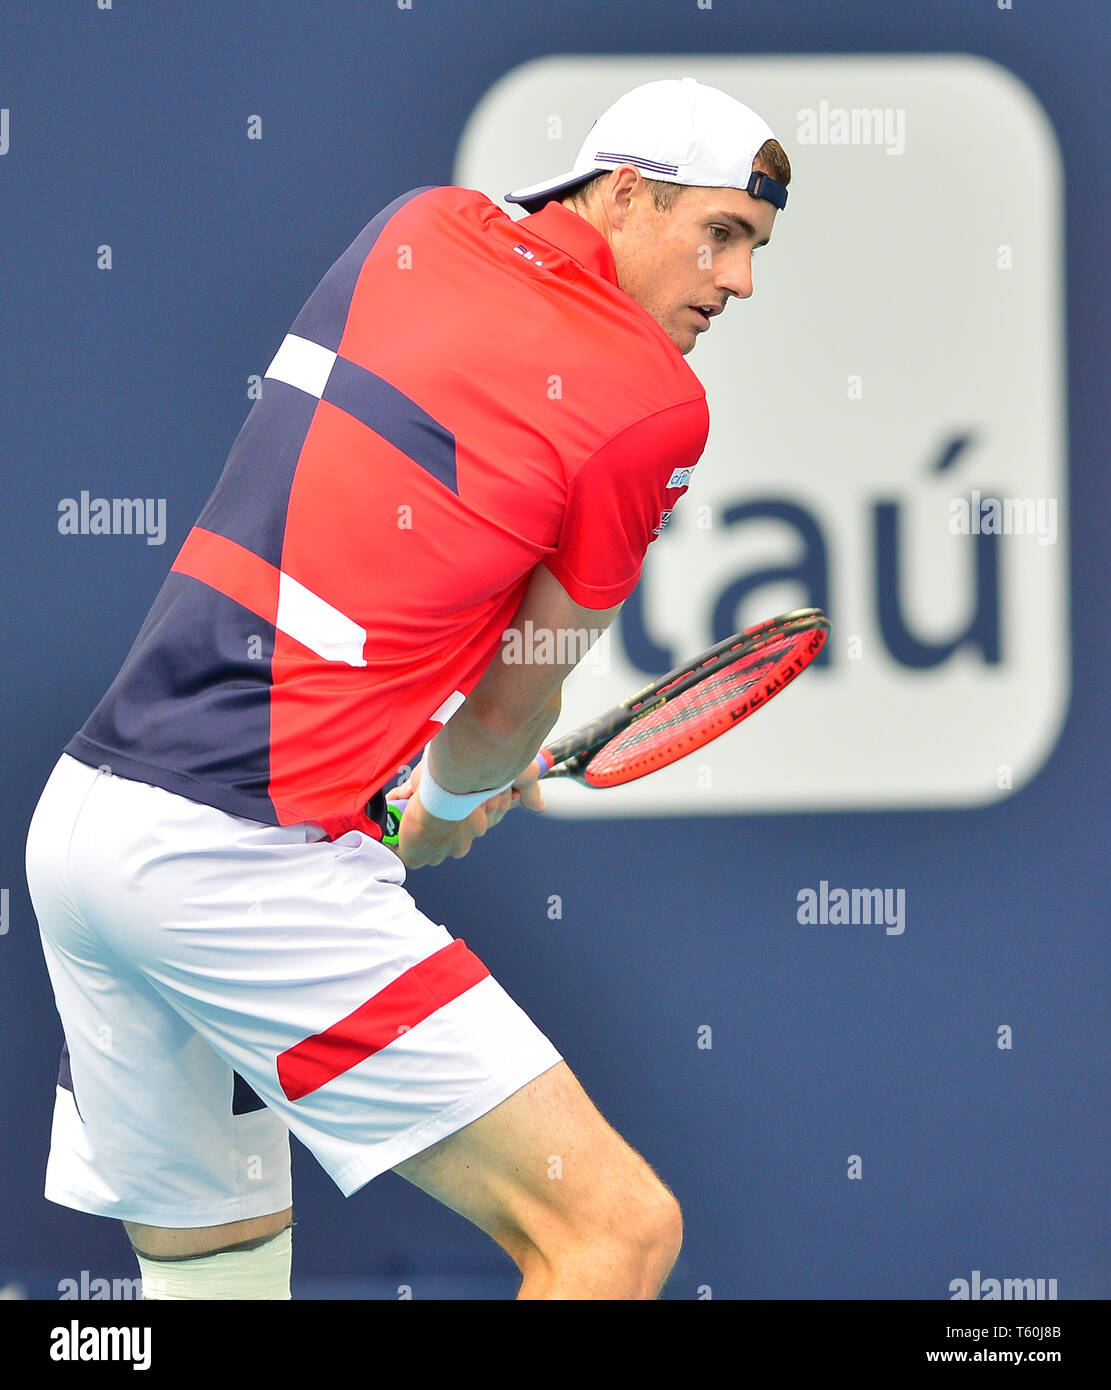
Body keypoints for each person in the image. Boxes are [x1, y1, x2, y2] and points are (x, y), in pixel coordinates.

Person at [24, 76, 789, 1300]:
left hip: (83, 830)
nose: (738, 281)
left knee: (219, 1280)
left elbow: (399, 559)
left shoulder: (414, 225)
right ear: (628, 192)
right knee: (612, 1233)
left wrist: (429, 772)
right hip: (231, 868)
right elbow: (517, 691)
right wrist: (442, 801)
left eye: (751, 249)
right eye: (721, 234)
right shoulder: (651, 405)